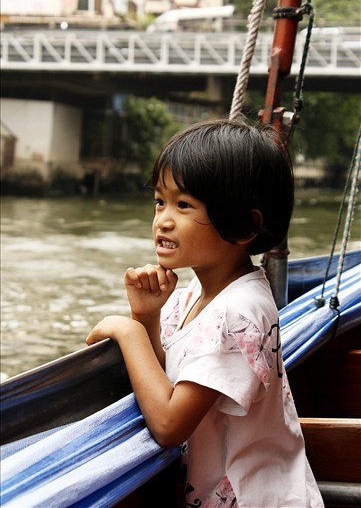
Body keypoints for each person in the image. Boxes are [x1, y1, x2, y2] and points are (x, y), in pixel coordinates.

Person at [86, 119, 324, 507]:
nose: (163, 219)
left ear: (246, 226)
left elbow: (168, 424)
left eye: (184, 205)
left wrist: (128, 333)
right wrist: (146, 316)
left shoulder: (239, 312)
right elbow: (172, 377)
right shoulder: (199, 290)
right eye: (160, 201)